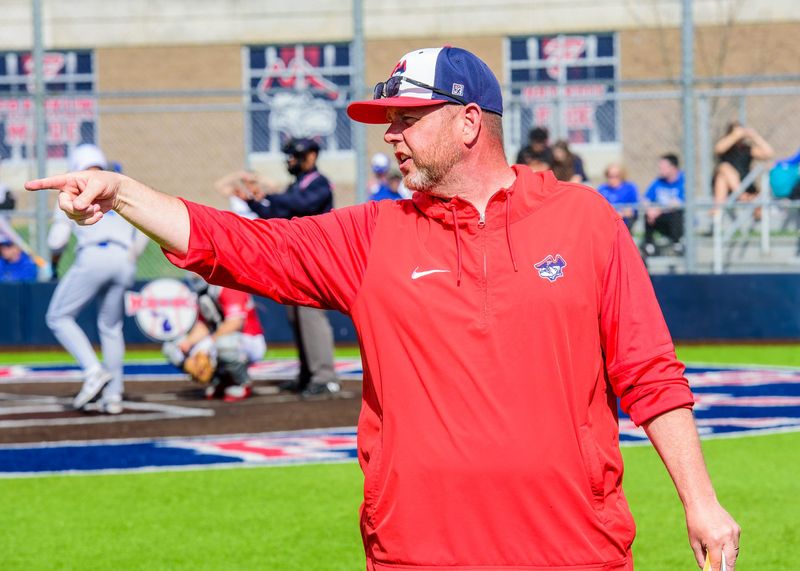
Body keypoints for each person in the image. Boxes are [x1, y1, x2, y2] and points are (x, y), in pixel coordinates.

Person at [27, 46, 739, 571]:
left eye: (406, 118)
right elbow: (237, 243)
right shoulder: (372, 236)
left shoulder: (586, 222)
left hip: (574, 551)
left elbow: (649, 373)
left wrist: (700, 500)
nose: (389, 135)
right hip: (417, 555)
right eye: (387, 121)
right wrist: (121, 191)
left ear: (468, 122)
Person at [45, 144, 149, 414]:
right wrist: (131, 256)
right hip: (124, 261)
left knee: (58, 317)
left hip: (94, 256)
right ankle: (113, 397)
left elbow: (57, 241)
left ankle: (93, 370)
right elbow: (145, 229)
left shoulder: (76, 187)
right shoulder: (117, 185)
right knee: (111, 329)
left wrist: (52, 262)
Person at [232, 137, 340, 397]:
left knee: (311, 318)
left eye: (296, 155)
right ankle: (307, 374)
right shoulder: (297, 185)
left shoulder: (319, 183)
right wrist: (254, 202)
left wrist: (269, 194)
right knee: (297, 318)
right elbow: (278, 216)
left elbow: (300, 205)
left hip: (315, 260)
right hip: (296, 261)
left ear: (311, 156)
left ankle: (325, 377)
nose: (291, 160)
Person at [162, 276, 266, 402]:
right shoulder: (202, 292)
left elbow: (235, 323)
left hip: (249, 339)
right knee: (173, 349)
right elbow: (204, 325)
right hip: (220, 338)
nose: (192, 274)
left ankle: (242, 383)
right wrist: (188, 343)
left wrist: (209, 345)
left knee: (223, 344)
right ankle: (219, 381)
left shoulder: (228, 284)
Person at [713, 121, 774, 207]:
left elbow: (768, 153)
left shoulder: (747, 149)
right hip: (730, 188)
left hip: (746, 183)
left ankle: (743, 197)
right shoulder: (725, 147)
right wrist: (735, 135)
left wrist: (754, 136)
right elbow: (718, 149)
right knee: (724, 169)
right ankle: (740, 196)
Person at [642, 153, 686, 257]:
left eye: (662, 167)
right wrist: (649, 210)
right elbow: (645, 199)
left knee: (675, 213)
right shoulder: (658, 182)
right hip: (660, 218)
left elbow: (677, 202)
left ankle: (677, 244)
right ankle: (649, 246)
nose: (659, 170)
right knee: (647, 214)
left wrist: (658, 210)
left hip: (678, 221)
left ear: (673, 168)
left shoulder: (683, 180)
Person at [596, 163, 639, 230]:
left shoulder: (629, 188)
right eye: (610, 176)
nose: (613, 179)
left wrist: (619, 214)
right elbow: (598, 208)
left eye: (617, 176)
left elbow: (632, 210)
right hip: (606, 221)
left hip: (624, 221)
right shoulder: (602, 189)